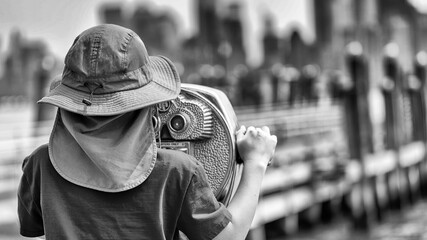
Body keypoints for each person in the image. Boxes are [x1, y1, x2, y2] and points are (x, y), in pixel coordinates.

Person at [18, 24, 277, 240]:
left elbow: (34, 225)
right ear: (146, 104)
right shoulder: (178, 171)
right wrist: (256, 162)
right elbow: (228, 236)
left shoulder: (39, 165)